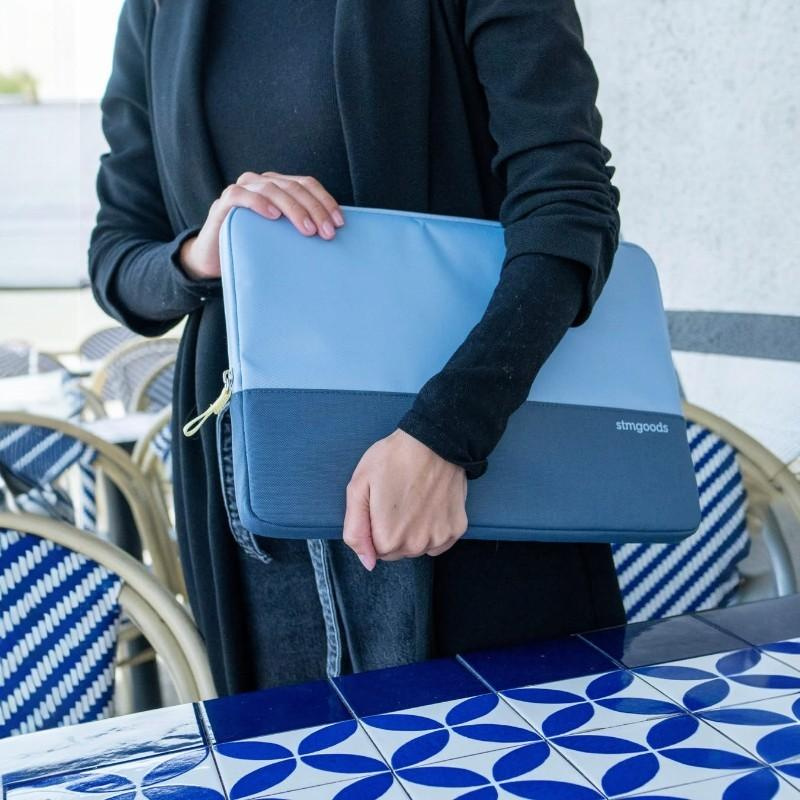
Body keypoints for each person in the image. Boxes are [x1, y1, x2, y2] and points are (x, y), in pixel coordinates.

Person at [89, 0, 625, 697]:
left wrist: (446, 434)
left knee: (516, 742)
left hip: (462, 464)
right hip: (253, 503)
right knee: (283, 747)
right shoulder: (155, 9)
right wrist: (201, 252)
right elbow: (116, 255)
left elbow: (569, 205)